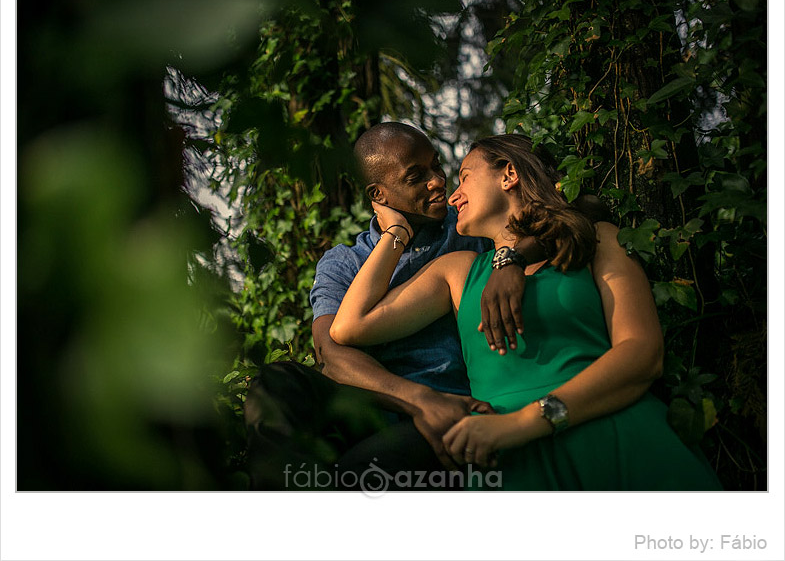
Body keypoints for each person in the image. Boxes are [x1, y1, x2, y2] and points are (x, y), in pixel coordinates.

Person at [330, 133, 722, 490]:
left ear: (509, 174)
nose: (450, 193)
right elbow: (349, 328)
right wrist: (396, 233)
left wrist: (525, 422)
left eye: (463, 176)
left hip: (614, 436)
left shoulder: (597, 239)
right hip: (506, 459)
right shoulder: (458, 270)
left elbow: (642, 354)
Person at [244, 123, 547, 489]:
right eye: (417, 176)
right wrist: (420, 400)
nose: (438, 181)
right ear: (380, 194)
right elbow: (331, 353)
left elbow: (550, 218)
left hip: (459, 407)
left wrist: (509, 258)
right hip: (378, 409)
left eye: (437, 166)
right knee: (277, 383)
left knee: (355, 477)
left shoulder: (467, 226)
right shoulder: (344, 262)